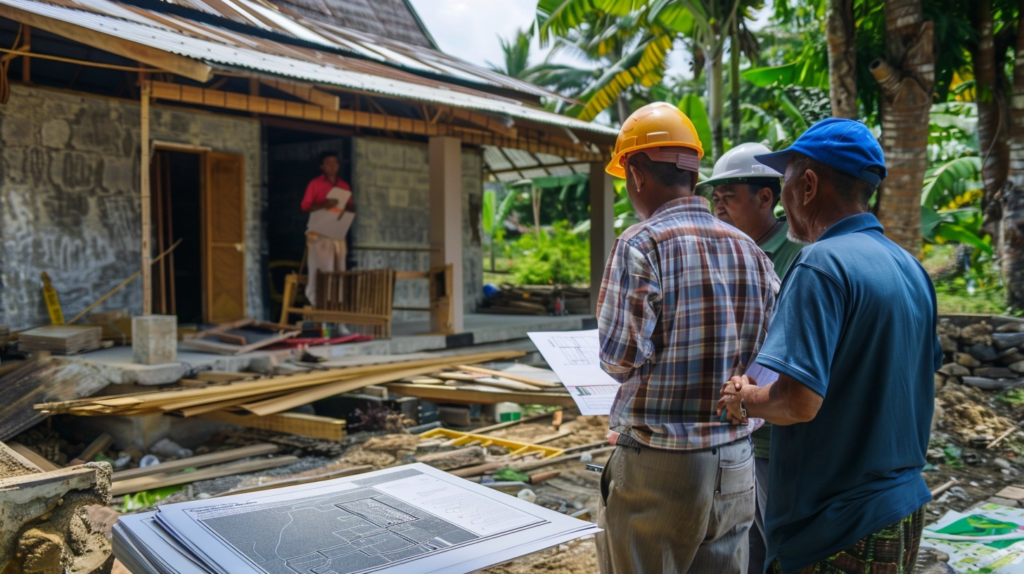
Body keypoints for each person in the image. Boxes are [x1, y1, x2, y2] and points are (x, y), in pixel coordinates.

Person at [717, 118, 942, 574]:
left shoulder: (819, 264)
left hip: (835, 525)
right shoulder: (909, 267)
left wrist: (744, 399)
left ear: (809, 185)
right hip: (903, 506)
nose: (781, 199)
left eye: (784, 183)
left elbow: (797, 402)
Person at [595, 102, 779, 574]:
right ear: (694, 171)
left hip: (662, 466)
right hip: (738, 463)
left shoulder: (641, 244)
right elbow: (769, 356)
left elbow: (620, 359)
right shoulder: (752, 251)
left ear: (635, 173)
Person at [700, 142, 804, 573]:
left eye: (729, 198)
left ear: (767, 198)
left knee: (776, 540)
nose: (719, 208)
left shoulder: (797, 255)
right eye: (715, 199)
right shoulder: (724, 251)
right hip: (733, 424)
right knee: (747, 544)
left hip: (775, 430)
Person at [301, 150, 354, 306]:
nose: (332, 166)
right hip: (320, 233)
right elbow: (305, 206)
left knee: (339, 271)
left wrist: (347, 208)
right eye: (328, 163)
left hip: (337, 232)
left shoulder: (344, 185)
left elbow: (351, 206)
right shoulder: (315, 184)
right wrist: (325, 204)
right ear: (322, 166)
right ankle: (319, 304)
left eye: (335, 163)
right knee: (322, 271)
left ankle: (337, 308)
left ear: (338, 165)